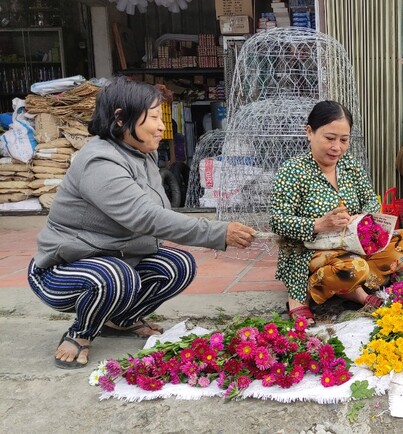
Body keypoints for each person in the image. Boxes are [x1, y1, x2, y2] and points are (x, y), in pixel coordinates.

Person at [28, 77, 257, 369]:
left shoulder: (141, 154)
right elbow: (145, 216)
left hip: (115, 258)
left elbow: (155, 212)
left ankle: (119, 320)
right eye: (152, 118)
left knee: (178, 265)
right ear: (121, 118)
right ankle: (80, 333)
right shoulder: (99, 162)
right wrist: (217, 231)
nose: (162, 126)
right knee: (117, 276)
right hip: (62, 268)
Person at [271, 100, 403, 324]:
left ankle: (347, 285)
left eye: (344, 140)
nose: (337, 147)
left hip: (354, 244)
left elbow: (370, 199)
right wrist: (319, 224)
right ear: (309, 132)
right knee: (355, 268)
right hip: (311, 251)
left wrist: (363, 218)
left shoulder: (349, 165)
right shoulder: (292, 171)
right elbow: (277, 221)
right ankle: (305, 293)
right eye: (330, 138)